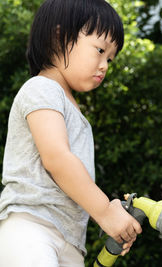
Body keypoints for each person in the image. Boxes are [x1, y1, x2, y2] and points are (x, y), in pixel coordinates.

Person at [0, 0, 142, 266]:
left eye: (109, 58)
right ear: (58, 36)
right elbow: (57, 158)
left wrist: (112, 216)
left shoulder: (74, 112)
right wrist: (105, 212)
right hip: (31, 226)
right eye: (100, 50)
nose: (104, 66)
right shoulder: (41, 88)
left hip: (70, 243)